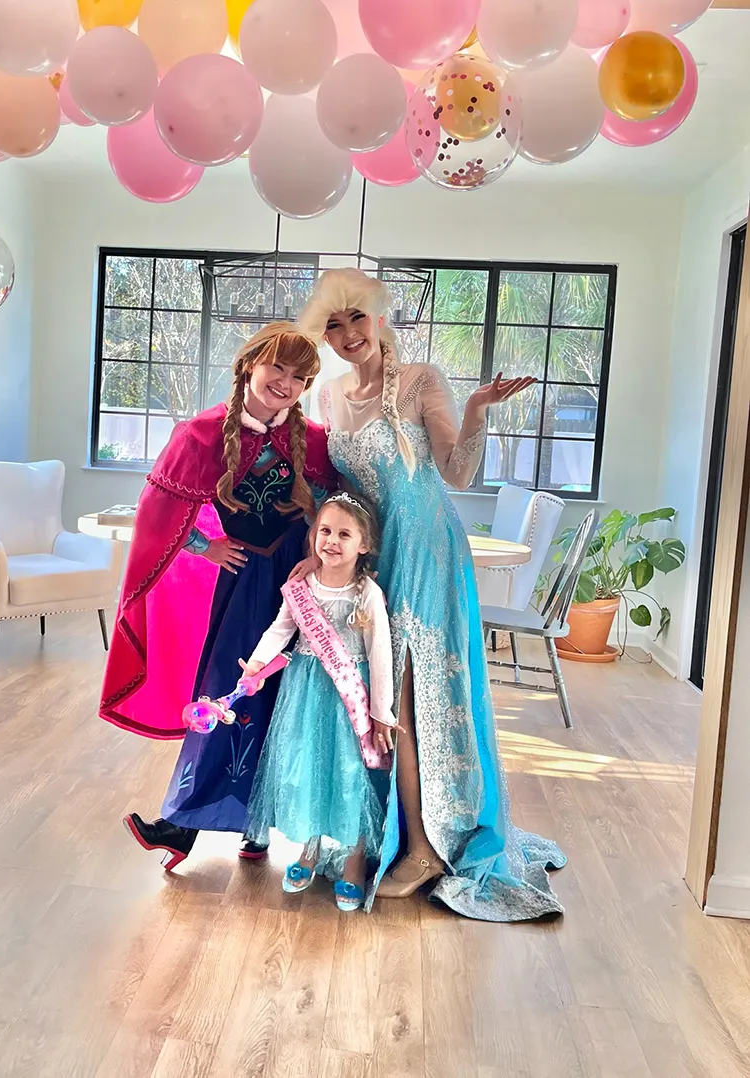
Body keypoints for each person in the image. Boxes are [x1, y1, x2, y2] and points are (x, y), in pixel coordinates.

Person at [297, 268, 566, 921]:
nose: (347, 333)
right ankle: (383, 834)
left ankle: (427, 846)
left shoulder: (421, 380)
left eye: (356, 318)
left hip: (426, 549)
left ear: (379, 319)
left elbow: (456, 470)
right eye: (333, 324)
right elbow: (341, 488)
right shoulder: (329, 396)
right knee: (379, 700)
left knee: (413, 699)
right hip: (374, 554)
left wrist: (475, 411)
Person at [100, 322, 337, 872]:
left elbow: (337, 505)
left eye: (300, 376)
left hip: (297, 582)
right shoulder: (199, 434)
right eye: (278, 367)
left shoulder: (315, 440)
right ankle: (183, 825)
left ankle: (252, 826)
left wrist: (316, 554)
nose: (286, 382)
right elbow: (158, 512)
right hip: (242, 585)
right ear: (250, 364)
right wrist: (206, 545)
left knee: (286, 698)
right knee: (228, 693)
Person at [241, 491, 399, 912]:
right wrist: (255, 665)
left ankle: (353, 861)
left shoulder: (367, 592)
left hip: (351, 697)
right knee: (309, 769)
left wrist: (381, 713)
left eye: (344, 534)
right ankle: (309, 850)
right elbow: (281, 629)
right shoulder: (301, 586)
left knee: (351, 775)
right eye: (325, 530)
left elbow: (380, 653)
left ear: (363, 545)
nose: (331, 540)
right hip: (306, 691)